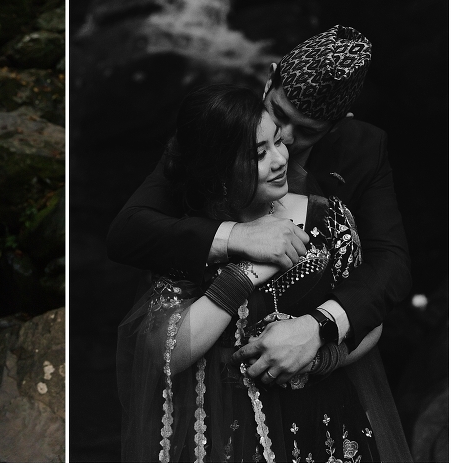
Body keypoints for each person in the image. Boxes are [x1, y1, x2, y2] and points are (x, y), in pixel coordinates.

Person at [117, 83, 408, 462]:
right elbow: (164, 354)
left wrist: (321, 356)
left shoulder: (327, 218)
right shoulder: (193, 234)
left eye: (279, 142)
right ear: (219, 169)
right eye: (259, 153)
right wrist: (246, 271)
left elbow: (370, 318)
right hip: (229, 435)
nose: (280, 158)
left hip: (325, 425)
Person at [107, 26, 411, 387]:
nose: (287, 141)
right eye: (279, 114)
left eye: (307, 130)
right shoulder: (221, 125)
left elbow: (390, 263)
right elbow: (128, 230)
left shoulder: (364, 149)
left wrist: (319, 330)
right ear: (269, 79)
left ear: (337, 124)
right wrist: (237, 237)